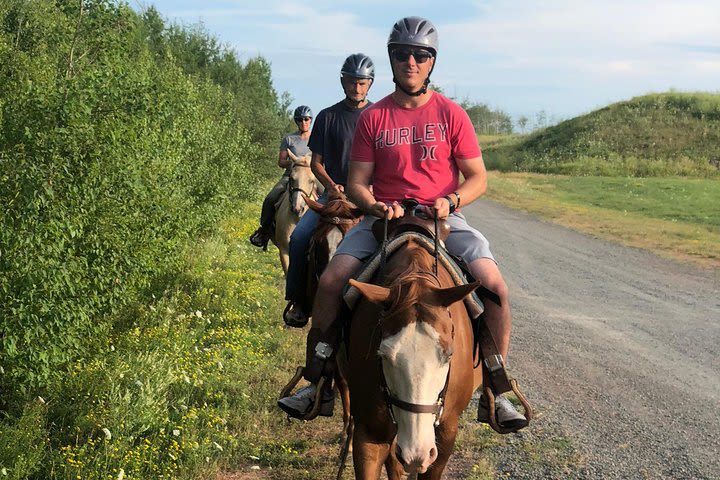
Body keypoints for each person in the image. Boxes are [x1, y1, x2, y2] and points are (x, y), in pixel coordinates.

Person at [278, 16, 527, 431]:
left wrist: (452, 200)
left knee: (496, 287)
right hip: (386, 221)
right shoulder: (374, 119)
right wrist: (373, 205)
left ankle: (497, 390)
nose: (410, 61)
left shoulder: (452, 114)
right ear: (391, 60)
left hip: (442, 220)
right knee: (330, 279)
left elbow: (478, 177)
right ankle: (316, 381)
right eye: (402, 54)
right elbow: (357, 182)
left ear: (431, 62)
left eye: (420, 55)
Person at [282, 53, 375, 328]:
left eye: (361, 83)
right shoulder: (327, 116)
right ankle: (299, 300)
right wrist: (332, 186)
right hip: (332, 196)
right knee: (299, 238)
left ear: (369, 84)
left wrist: (368, 188)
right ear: (342, 82)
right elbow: (317, 163)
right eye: (350, 82)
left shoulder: (378, 115)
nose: (355, 88)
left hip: (369, 197)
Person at [249, 105, 313, 249]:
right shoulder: (289, 139)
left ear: (310, 120)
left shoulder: (317, 138)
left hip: (311, 177)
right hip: (291, 175)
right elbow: (281, 162)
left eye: (306, 119)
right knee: (271, 198)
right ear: (296, 121)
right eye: (300, 119)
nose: (303, 122)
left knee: (331, 199)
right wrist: (295, 161)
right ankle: (264, 231)